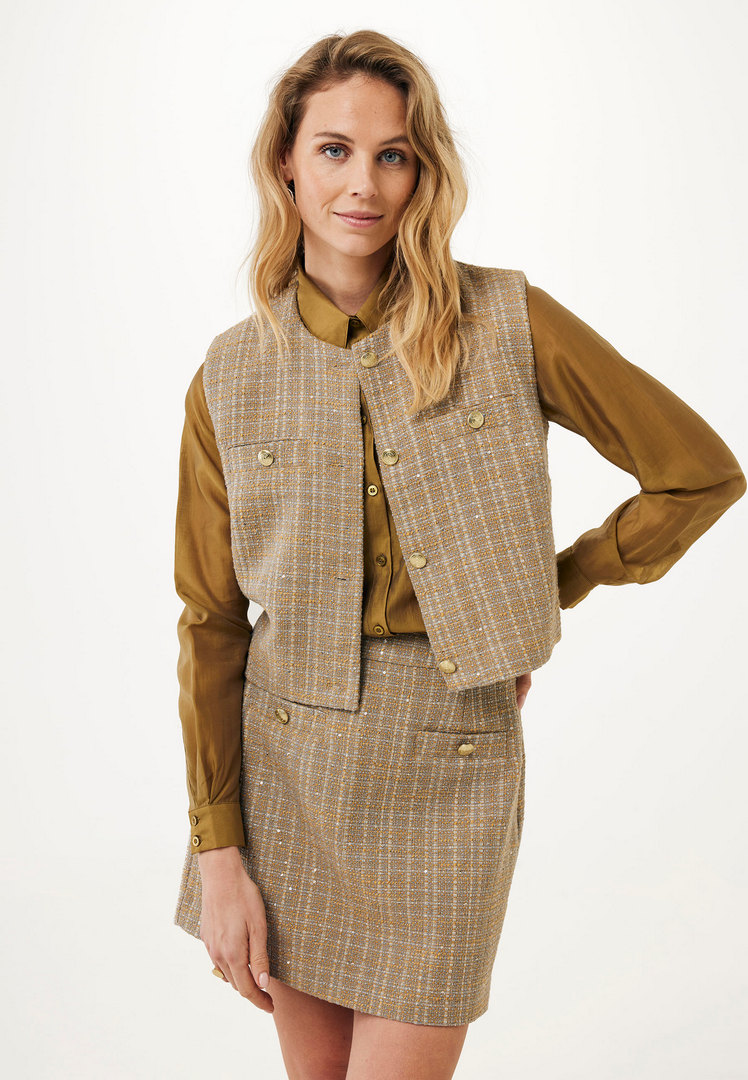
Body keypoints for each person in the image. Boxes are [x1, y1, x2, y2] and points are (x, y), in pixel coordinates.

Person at [172, 29, 745, 1080]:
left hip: (452, 766)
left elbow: (697, 473)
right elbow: (211, 625)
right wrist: (219, 855)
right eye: (335, 149)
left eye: (392, 155)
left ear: (422, 173)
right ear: (285, 163)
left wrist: (543, 589)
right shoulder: (230, 373)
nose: (363, 183)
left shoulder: (507, 321)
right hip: (288, 769)